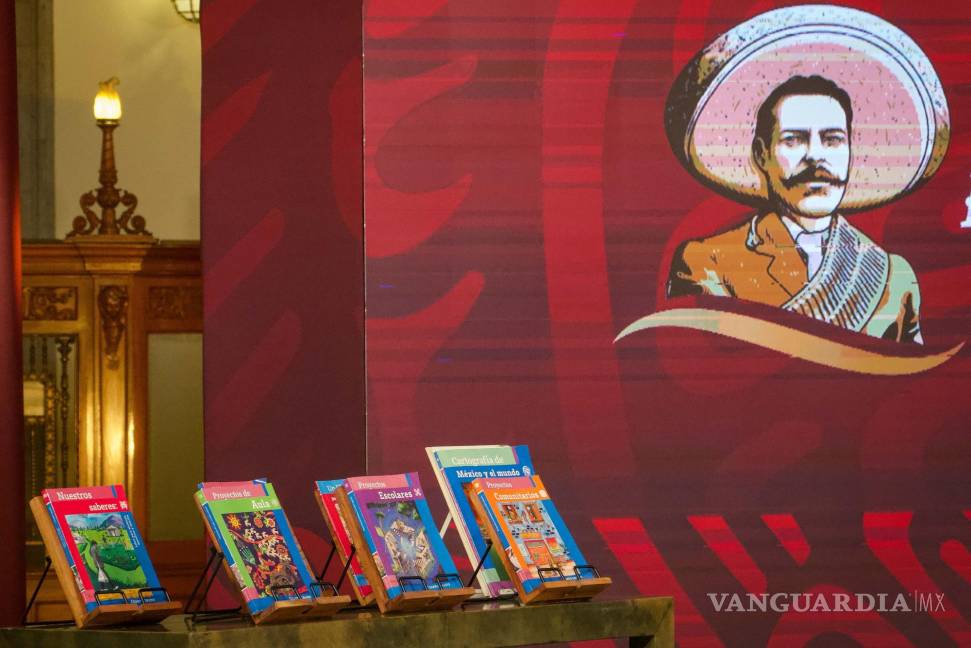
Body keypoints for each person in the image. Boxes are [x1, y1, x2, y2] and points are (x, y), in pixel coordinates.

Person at [667, 75, 922, 343]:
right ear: (761, 154)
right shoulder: (708, 263)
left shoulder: (891, 275)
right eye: (793, 140)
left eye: (832, 140)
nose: (815, 156)